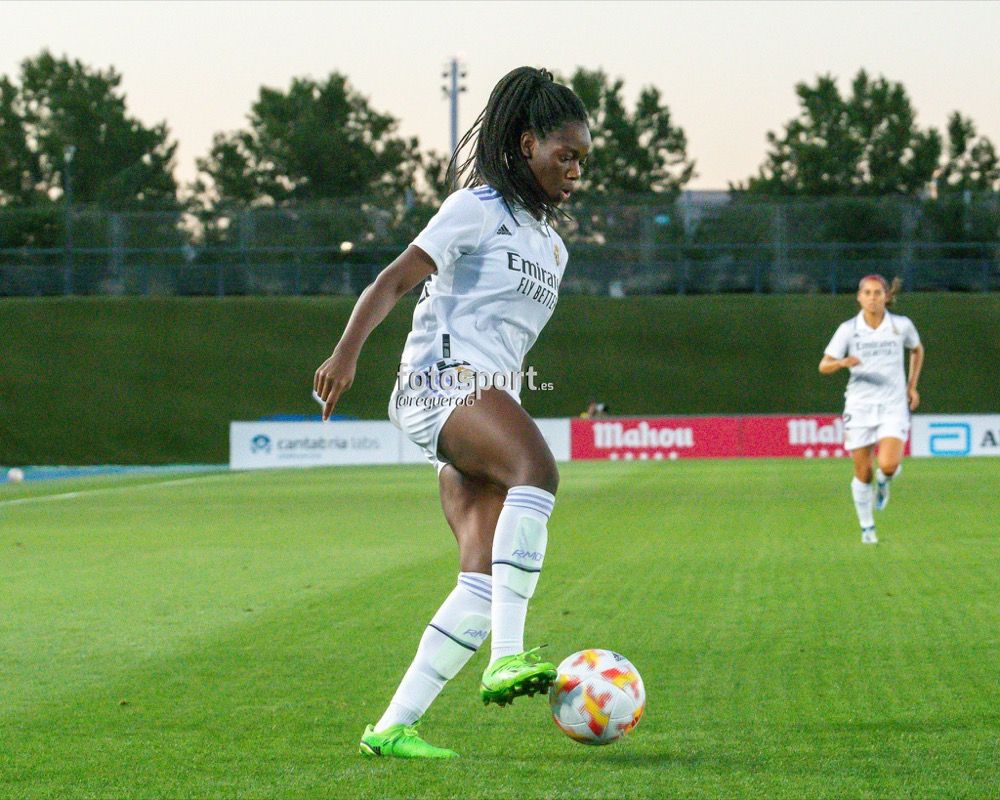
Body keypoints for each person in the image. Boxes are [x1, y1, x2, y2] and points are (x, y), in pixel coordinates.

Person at [313, 67, 591, 759]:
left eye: (583, 160)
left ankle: (391, 728)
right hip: (440, 383)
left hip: (487, 396)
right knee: (537, 470)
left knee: (481, 578)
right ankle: (508, 656)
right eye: (565, 154)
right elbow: (393, 281)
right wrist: (347, 353)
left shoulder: (552, 246)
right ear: (526, 144)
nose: (575, 170)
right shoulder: (476, 207)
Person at [819, 274, 925, 544]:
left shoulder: (901, 325)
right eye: (867, 293)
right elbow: (824, 365)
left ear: (886, 296)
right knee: (863, 472)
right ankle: (867, 527)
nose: (872, 298)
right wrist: (841, 362)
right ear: (859, 298)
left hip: (893, 404)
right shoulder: (848, 329)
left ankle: (885, 481)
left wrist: (911, 386)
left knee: (888, 465)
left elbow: (917, 349)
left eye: (878, 293)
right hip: (860, 406)